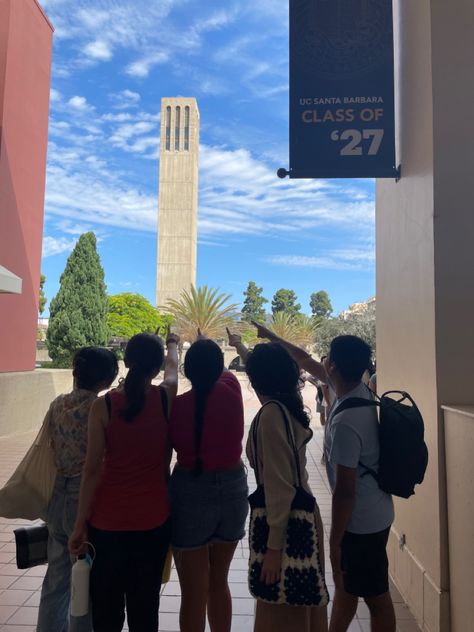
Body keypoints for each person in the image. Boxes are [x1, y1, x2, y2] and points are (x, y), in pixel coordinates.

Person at [249, 322, 396, 632]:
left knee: (376, 598)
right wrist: (273, 338)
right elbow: (303, 359)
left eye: (328, 356)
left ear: (334, 366)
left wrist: (335, 539)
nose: (323, 360)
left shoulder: (346, 420)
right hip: (374, 512)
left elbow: (345, 490)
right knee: (346, 590)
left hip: (361, 521)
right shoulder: (353, 390)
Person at [69, 331, 179, 632]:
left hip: (107, 525)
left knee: (107, 610)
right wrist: (173, 344)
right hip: (154, 522)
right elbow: (173, 369)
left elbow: (91, 471)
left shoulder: (103, 407)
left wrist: (80, 524)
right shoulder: (166, 398)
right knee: (145, 610)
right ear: (155, 368)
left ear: (126, 361)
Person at [228, 332, 328, 632]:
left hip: (285, 530)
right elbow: (265, 367)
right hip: (304, 518)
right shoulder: (286, 405)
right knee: (302, 609)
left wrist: (273, 551)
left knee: (282, 616)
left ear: (256, 380)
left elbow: (279, 489)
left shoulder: (271, 415)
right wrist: (240, 346)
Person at [168, 335, 248, 632]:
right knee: (218, 583)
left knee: (193, 592)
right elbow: (222, 370)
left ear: (189, 371)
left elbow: (172, 376)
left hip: (189, 490)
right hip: (233, 489)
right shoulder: (232, 389)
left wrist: (173, 348)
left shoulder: (175, 407)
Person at [37, 346, 119, 632]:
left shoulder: (58, 404)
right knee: (84, 584)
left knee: (56, 581)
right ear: (107, 379)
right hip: (84, 502)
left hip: (57, 497)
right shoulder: (100, 408)